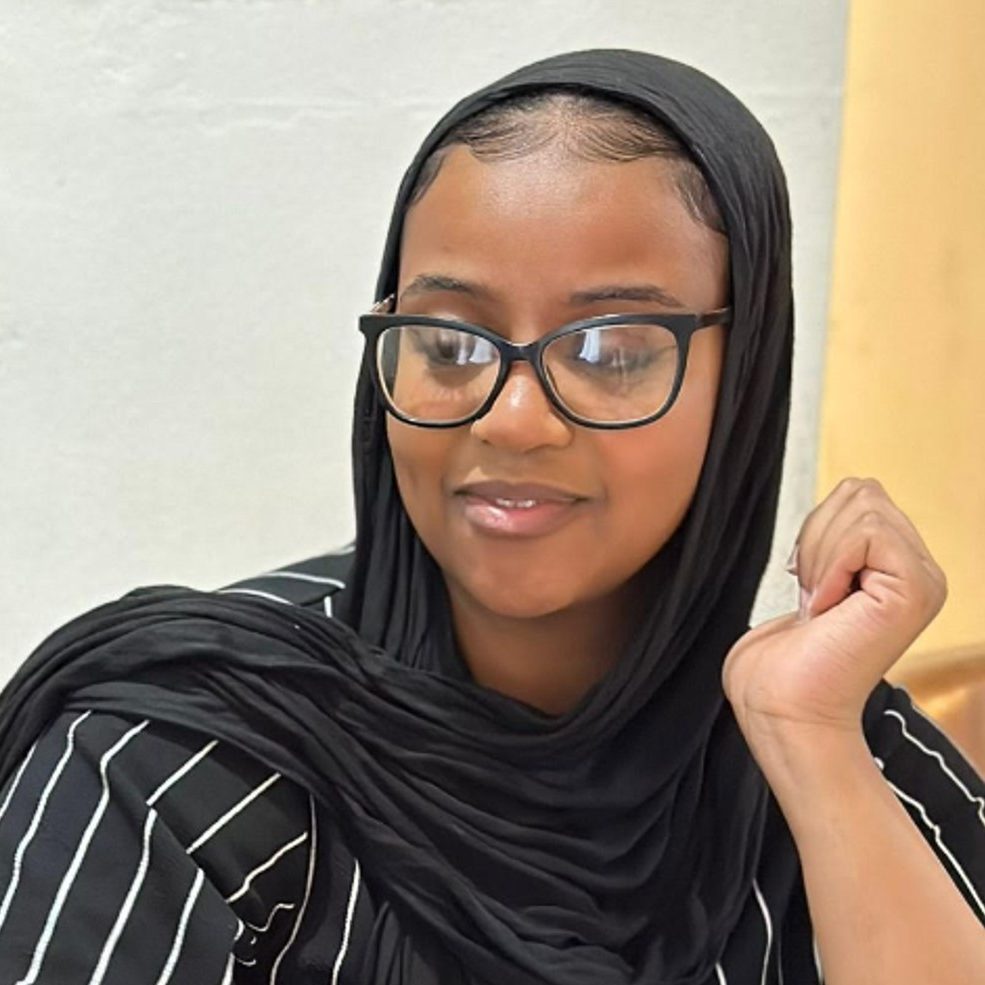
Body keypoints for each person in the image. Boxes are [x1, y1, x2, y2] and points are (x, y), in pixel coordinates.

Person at [0, 48, 982, 985]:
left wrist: (811, 746)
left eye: (610, 351)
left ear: (746, 383)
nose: (512, 419)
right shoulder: (180, 760)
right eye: (448, 342)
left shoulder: (837, 755)